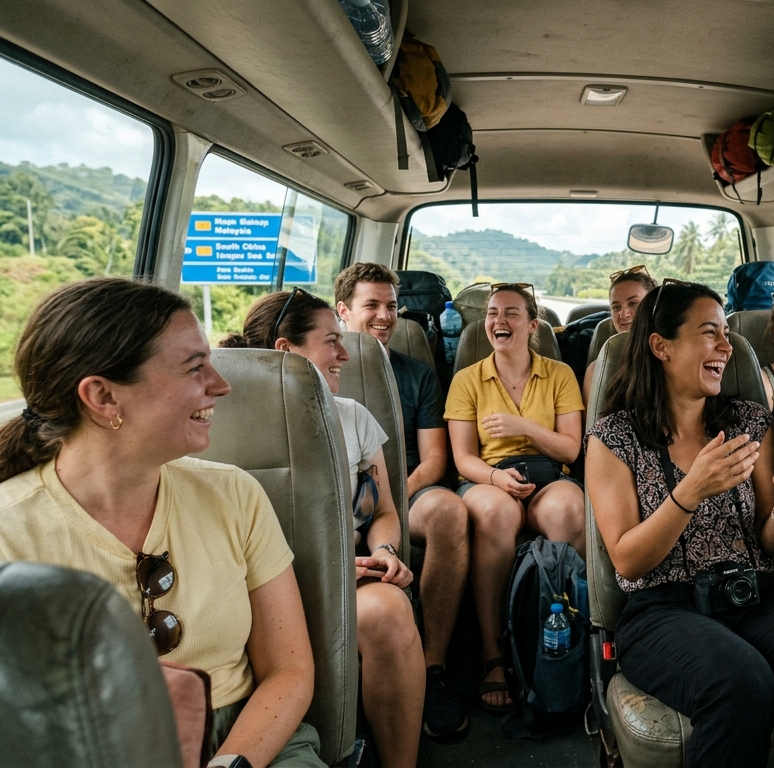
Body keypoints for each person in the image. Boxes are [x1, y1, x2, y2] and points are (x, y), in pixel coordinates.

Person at [0, 278, 323, 768]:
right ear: (103, 397)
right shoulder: (8, 529)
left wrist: (229, 764)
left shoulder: (234, 495)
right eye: (195, 367)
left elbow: (289, 670)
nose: (221, 385)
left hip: (249, 741)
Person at [586, 280, 774, 768]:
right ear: (661, 346)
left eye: (726, 334)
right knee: (740, 680)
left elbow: (772, 543)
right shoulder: (614, 438)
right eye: (710, 333)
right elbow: (628, 559)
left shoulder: (747, 422)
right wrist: (689, 492)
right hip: (661, 609)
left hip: (753, 594)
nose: (727, 346)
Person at [222, 289, 424, 768]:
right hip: (252, 582)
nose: (343, 354)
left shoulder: (354, 417)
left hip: (353, 570)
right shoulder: (217, 423)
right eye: (331, 341)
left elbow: (383, 511)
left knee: (387, 612)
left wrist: (387, 551)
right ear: (286, 352)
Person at [334, 263, 471, 741]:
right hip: (343, 505)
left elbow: (435, 460)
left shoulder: (417, 375)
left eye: (391, 306)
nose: (384, 316)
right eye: (371, 305)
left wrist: (388, 501)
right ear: (343, 310)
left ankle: (433, 667)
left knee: (451, 511)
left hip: (406, 491)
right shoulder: (319, 379)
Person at [446, 284, 585, 712]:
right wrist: (495, 477)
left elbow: (569, 450)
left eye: (510, 313)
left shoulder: (559, 375)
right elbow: (463, 457)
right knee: (494, 514)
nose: (498, 322)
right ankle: (493, 652)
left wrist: (523, 427)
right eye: (491, 313)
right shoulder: (467, 379)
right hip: (488, 479)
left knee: (569, 509)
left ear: (532, 325)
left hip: (548, 475)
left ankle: (555, 644)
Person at [583, 264, 657, 402]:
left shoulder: (673, 361)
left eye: (633, 303)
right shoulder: (596, 372)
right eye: (616, 307)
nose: (623, 314)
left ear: (653, 306)